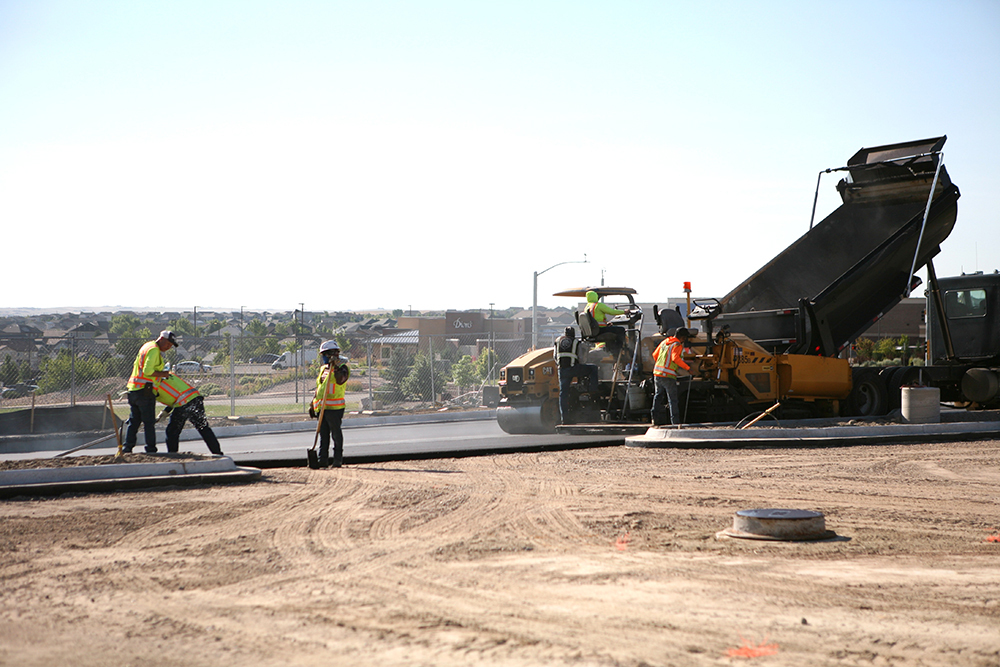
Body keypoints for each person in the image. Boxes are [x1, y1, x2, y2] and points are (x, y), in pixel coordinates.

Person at [123, 330, 177, 453]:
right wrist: (164, 374)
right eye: (168, 344)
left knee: (134, 422)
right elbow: (148, 371)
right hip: (145, 391)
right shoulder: (154, 350)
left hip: (134, 390)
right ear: (161, 339)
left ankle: (127, 448)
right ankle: (151, 449)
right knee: (148, 422)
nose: (168, 347)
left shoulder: (147, 346)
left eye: (171, 346)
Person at [154, 373, 224, 455]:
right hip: (195, 398)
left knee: (172, 431)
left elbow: (150, 400)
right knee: (203, 428)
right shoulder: (167, 374)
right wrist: (166, 411)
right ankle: (217, 453)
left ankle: (173, 455)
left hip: (184, 403)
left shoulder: (152, 382)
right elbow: (175, 393)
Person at [309, 340, 351, 468]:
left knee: (335, 434)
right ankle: (322, 460)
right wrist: (312, 404)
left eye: (324, 355)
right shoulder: (323, 369)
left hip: (334, 408)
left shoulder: (343, 369)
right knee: (323, 434)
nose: (323, 357)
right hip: (322, 408)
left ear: (332, 354)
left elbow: (340, 380)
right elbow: (320, 388)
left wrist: (336, 367)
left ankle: (337, 459)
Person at [553, 327, 599, 424]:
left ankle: (564, 419)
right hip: (573, 369)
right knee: (593, 368)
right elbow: (581, 358)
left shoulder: (557, 341)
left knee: (563, 394)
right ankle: (593, 390)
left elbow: (555, 356)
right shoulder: (576, 342)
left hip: (562, 370)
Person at [651, 327, 692, 426]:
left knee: (658, 396)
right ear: (682, 337)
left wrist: (661, 365)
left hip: (657, 373)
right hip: (668, 375)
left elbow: (654, 355)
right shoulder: (677, 344)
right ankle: (675, 423)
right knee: (672, 400)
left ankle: (654, 419)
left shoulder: (665, 342)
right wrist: (688, 368)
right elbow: (675, 358)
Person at [584, 290, 628, 355]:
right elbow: (611, 312)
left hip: (592, 331)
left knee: (612, 331)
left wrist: (606, 323)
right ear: (595, 296)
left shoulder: (587, 307)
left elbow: (595, 319)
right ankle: (619, 351)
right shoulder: (598, 305)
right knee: (621, 330)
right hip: (600, 330)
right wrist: (624, 312)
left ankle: (612, 351)